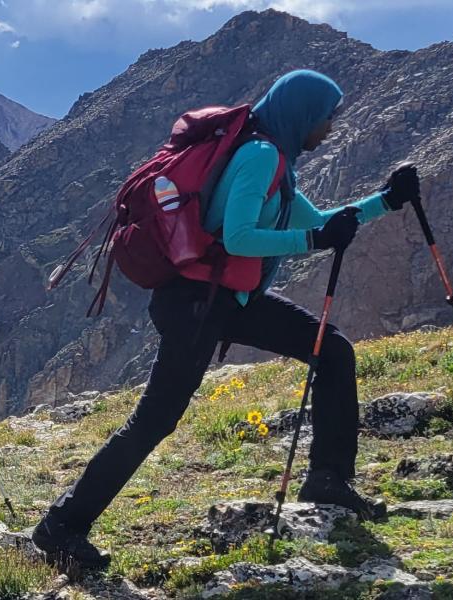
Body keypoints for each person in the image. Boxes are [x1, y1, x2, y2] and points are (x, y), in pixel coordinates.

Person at [32, 70, 422, 574]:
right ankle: (61, 527)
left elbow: (319, 220)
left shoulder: (277, 162)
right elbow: (239, 238)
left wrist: (385, 201)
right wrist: (313, 244)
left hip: (228, 300)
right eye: (325, 117)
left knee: (332, 349)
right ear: (301, 113)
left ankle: (328, 478)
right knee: (154, 420)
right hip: (197, 305)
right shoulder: (261, 158)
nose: (328, 128)